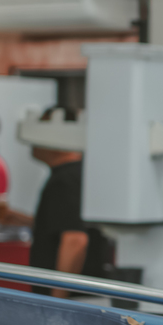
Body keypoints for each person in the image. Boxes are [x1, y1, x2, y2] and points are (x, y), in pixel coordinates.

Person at [28, 107, 109, 297]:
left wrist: (58, 299)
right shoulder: (79, 174)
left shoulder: (66, 179)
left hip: (74, 300)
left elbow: (75, 240)